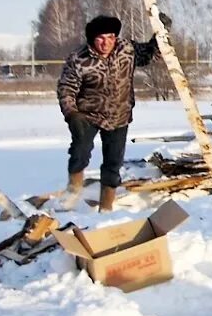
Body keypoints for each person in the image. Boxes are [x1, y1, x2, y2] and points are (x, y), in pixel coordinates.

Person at [56, 13, 167, 212]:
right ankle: (74, 188)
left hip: (119, 115)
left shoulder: (127, 49)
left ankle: (106, 207)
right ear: (92, 39)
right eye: (101, 38)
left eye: (110, 37)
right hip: (88, 115)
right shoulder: (79, 59)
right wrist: (72, 114)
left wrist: (161, 33)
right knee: (80, 151)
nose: (106, 43)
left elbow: (151, 54)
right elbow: (66, 88)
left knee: (113, 162)